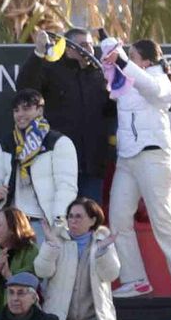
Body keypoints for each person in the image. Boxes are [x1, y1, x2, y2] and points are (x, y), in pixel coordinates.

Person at [100, 37, 171, 297]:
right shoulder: (125, 79)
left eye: (131, 56)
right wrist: (108, 54)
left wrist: (122, 62)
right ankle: (135, 280)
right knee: (119, 219)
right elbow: (112, 84)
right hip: (126, 159)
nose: (126, 60)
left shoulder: (158, 78)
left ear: (146, 60)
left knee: (162, 220)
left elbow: (153, 91)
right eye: (126, 55)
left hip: (153, 156)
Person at [19, 27, 112, 204]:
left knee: (90, 217)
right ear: (68, 48)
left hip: (93, 164)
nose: (89, 50)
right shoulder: (51, 70)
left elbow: (110, 112)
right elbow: (25, 88)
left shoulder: (100, 75)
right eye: (83, 45)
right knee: (59, 216)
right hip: (60, 163)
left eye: (91, 45)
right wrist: (38, 53)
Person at [0, 88, 78, 241]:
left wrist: (59, 221)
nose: (20, 114)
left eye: (26, 108)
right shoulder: (6, 143)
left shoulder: (59, 143)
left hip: (44, 222)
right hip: (12, 223)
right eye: (16, 110)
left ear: (40, 110)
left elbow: (66, 186)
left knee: (42, 265)